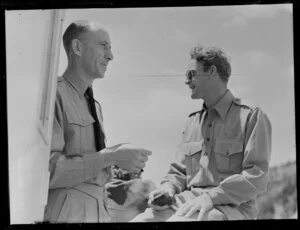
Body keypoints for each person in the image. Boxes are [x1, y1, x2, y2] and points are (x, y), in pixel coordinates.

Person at [130, 45, 272, 222]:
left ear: (211, 72)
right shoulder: (192, 122)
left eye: (191, 74)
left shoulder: (251, 117)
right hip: (188, 202)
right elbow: (178, 173)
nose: (187, 81)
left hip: (231, 207)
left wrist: (211, 197)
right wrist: (168, 189)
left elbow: (256, 177)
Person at [44, 20, 152, 223]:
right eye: (103, 46)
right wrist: (109, 157)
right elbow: (47, 171)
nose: (110, 56)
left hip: (99, 210)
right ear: (77, 47)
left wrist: (120, 157)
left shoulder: (95, 105)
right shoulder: (53, 95)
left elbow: (92, 164)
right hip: (67, 213)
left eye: (110, 48)